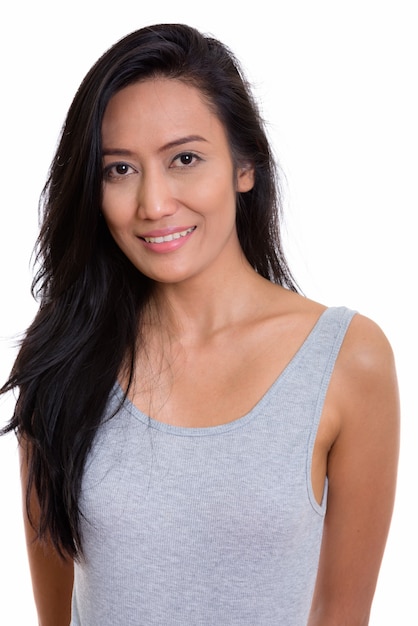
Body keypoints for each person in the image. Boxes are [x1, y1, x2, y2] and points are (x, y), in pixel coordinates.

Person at [1, 23, 399, 626]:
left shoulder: (347, 360)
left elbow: (342, 615)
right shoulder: (60, 356)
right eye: (120, 170)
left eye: (184, 159)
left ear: (245, 167)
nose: (154, 203)